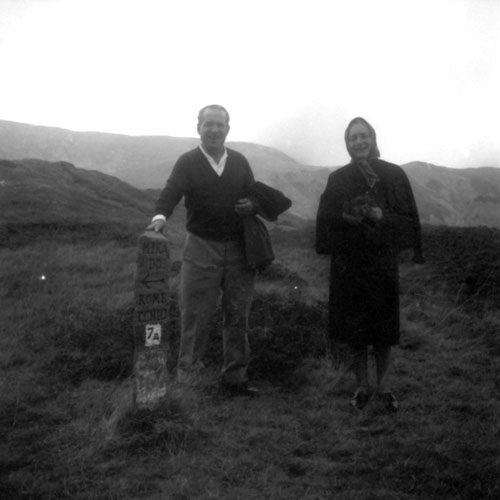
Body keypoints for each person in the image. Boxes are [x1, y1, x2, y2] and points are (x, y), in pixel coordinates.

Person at [147, 104, 260, 396]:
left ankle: (235, 378)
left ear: (228, 129)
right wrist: (160, 217)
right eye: (208, 124)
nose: (214, 130)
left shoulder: (240, 161)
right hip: (200, 247)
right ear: (198, 127)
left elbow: (254, 195)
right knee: (195, 316)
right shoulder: (187, 162)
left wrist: (253, 204)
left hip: (239, 250)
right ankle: (188, 382)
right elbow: (171, 192)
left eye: (220, 125)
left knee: (238, 316)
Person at [315, 117, 423, 412]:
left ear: (373, 139)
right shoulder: (338, 179)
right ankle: (362, 387)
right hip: (348, 266)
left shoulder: (393, 175)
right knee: (356, 331)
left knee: (384, 331)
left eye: (364, 136)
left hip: (381, 265)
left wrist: (381, 217)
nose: (359, 142)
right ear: (347, 144)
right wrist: (345, 218)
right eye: (353, 138)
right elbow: (325, 222)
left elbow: (408, 221)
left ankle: (384, 388)